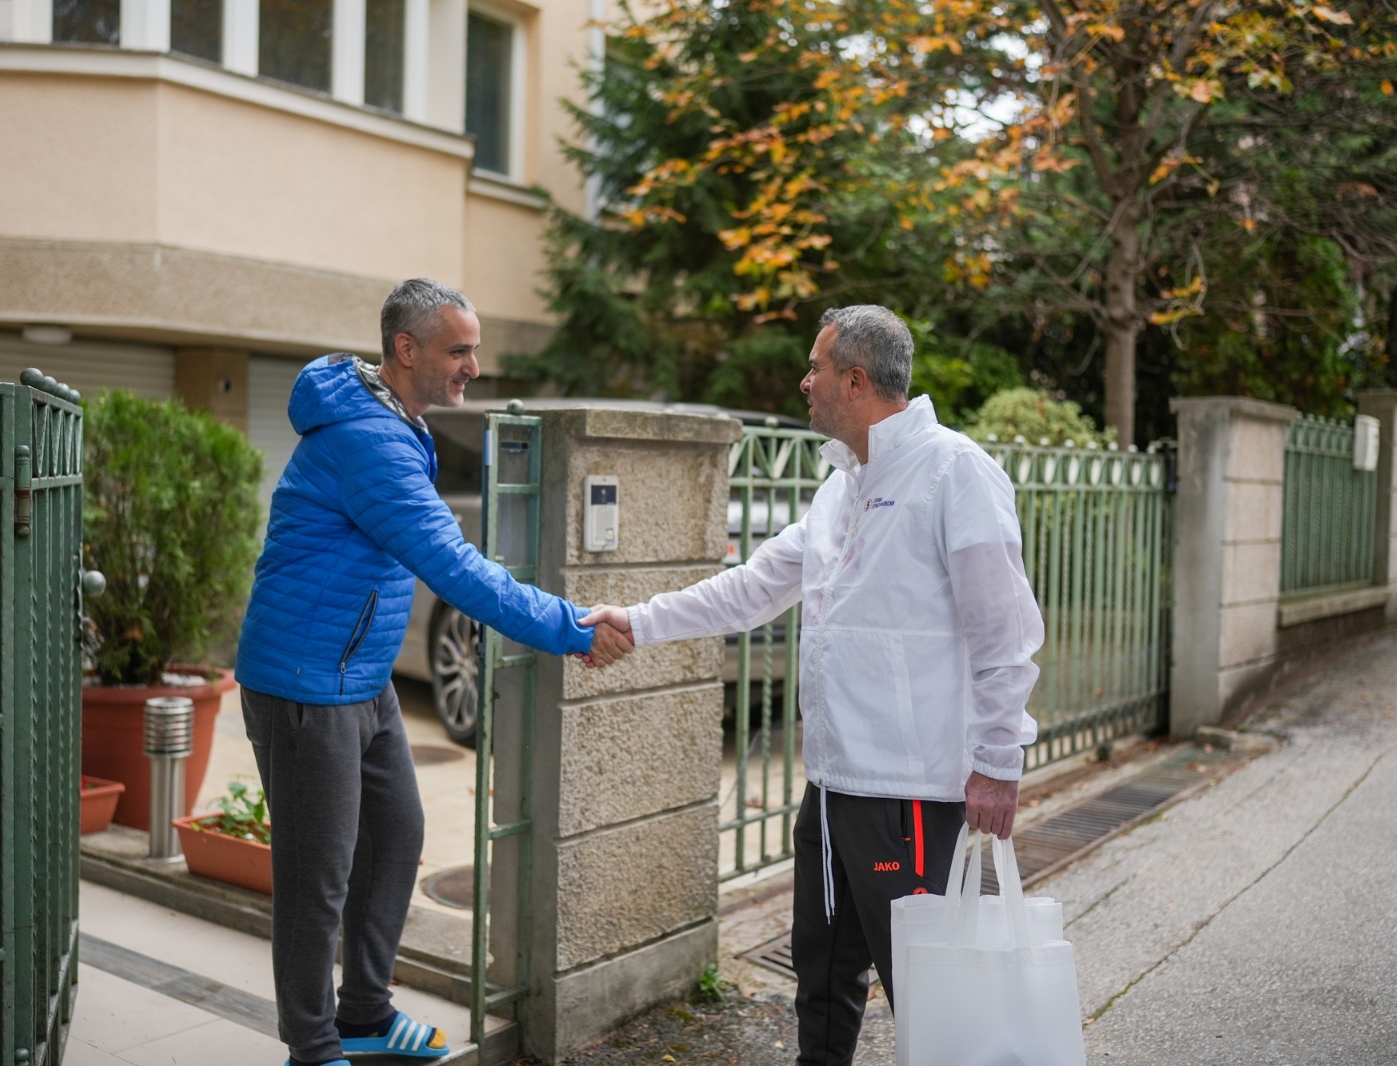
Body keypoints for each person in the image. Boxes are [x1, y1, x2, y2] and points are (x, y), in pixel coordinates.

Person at [583, 305, 1042, 1065]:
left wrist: (998, 761)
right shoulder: (843, 487)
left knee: (926, 989)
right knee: (822, 972)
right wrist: (637, 621)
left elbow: (1005, 632)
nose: (805, 382)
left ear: (856, 381)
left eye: (815, 367)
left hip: (908, 794)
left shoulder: (953, 471)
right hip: (831, 787)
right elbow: (752, 587)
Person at [235, 278, 632, 1066]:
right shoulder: (368, 440)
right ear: (406, 349)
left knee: (394, 836)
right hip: (305, 682)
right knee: (318, 878)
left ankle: (365, 1015)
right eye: (459, 351)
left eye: (474, 350)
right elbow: (453, 567)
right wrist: (569, 626)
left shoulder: (392, 419)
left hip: (360, 674)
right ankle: (312, 1047)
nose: (473, 368)